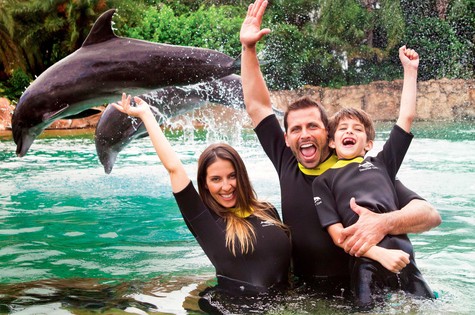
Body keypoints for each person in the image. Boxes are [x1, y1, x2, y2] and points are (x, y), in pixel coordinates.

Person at [240, 0, 441, 296]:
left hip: (362, 287)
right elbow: (257, 106)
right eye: (296, 129)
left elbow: (429, 215)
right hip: (305, 291)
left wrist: (384, 223)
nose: (304, 134)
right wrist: (248, 49)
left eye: (312, 126)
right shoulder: (287, 161)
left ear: (328, 133)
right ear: (286, 138)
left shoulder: (358, 169)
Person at [111, 93, 291, 297]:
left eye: (232, 176)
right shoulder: (206, 221)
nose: (226, 186)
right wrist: (146, 115)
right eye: (216, 179)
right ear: (204, 185)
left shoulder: (267, 210)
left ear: (241, 175)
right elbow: (174, 169)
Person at [312, 46, 435, 309]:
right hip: (366, 261)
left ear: (367, 144)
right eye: (343, 129)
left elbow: (406, 117)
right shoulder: (323, 181)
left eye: (357, 129)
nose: (350, 132)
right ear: (332, 143)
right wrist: (380, 254)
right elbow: (338, 235)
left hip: (404, 257)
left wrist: (410, 72)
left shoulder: (383, 164)